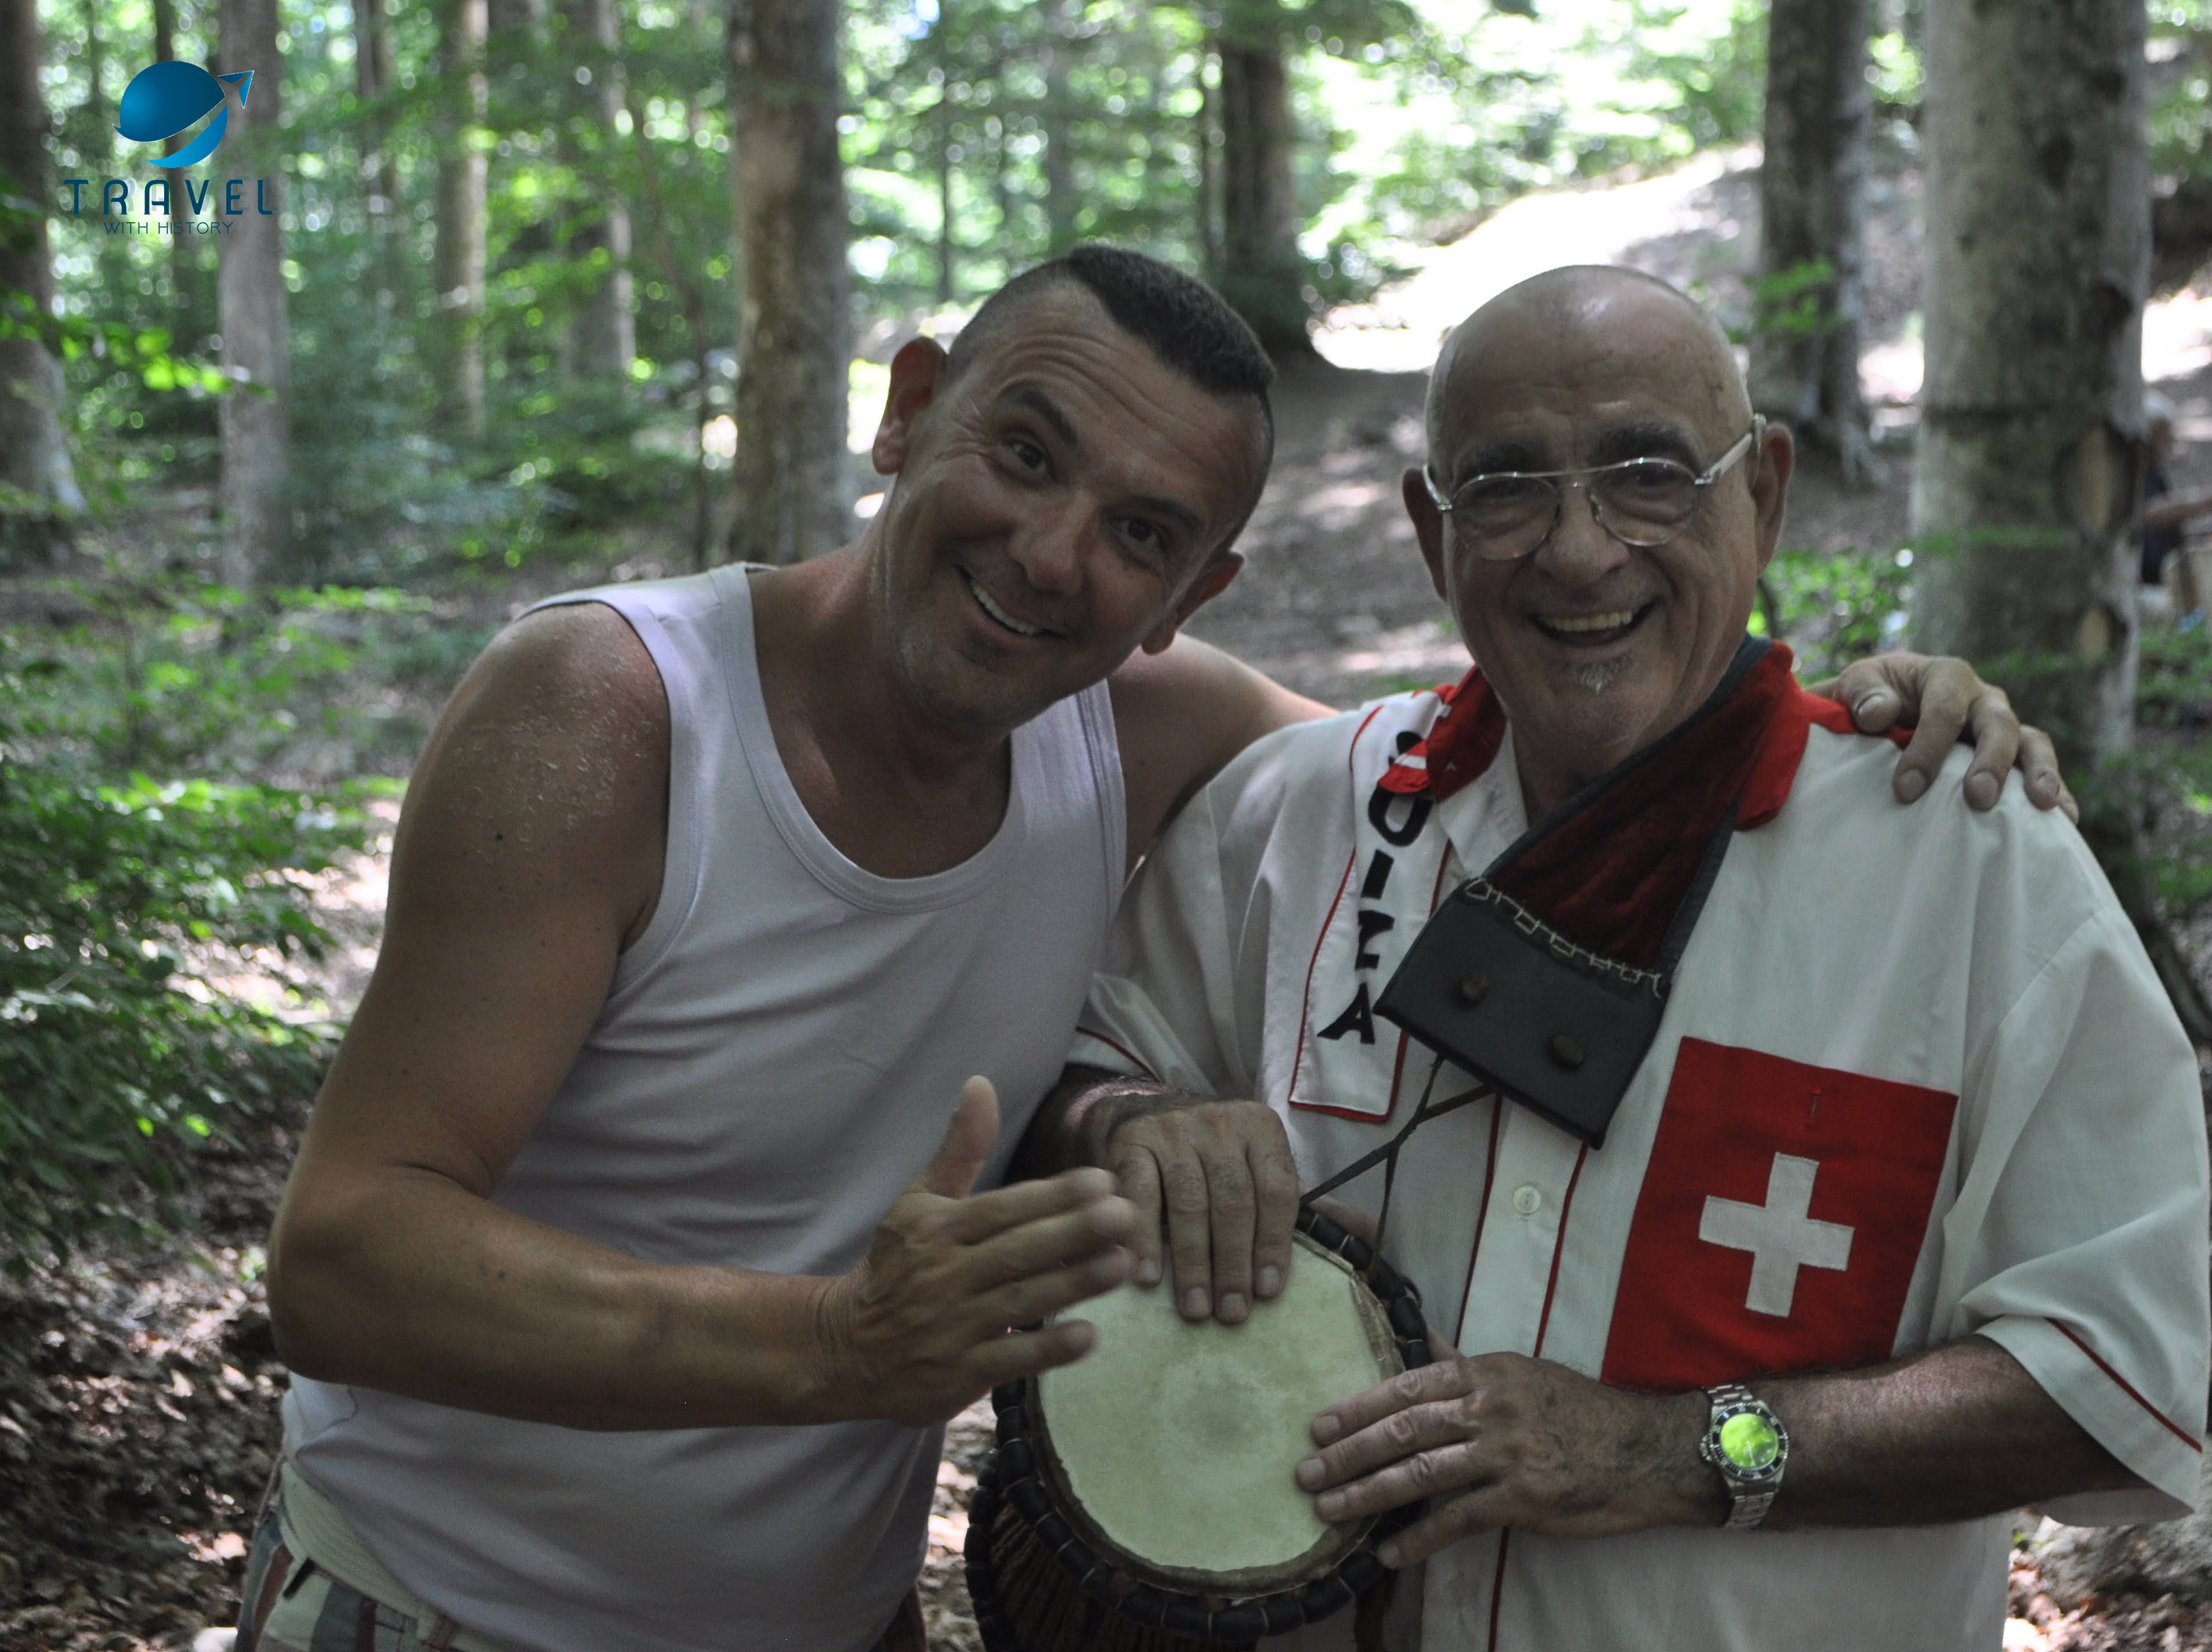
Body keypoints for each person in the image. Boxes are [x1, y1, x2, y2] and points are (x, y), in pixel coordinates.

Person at [240, 247, 2065, 1652]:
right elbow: (340, 1259)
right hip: (446, 1607)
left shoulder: (1144, 736)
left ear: (1195, 597)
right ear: (909, 408)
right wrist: (836, 1344)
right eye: (1024, 453)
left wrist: (1846, 731)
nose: (1051, 555)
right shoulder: (614, 717)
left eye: (1140, 533)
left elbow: (1539, 744)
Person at [1049, 266, 2210, 1652]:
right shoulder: (1292, 816)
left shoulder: (1962, 863)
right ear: (1430, 533)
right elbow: (1083, 1063)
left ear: (1762, 494)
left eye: (1647, 474)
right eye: (1505, 487)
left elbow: (2108, 1373)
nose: (1579, 549)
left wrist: (1670, 1448)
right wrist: (1133, 1114)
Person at [2137, 390, 2212, 586]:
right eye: (2164, 438)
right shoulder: (2130, 477)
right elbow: (2150, 514)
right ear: (2146, 437)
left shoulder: (2157, 477)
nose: (2170, 446)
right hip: (2142, 586)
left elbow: (2178, 538)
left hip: (2167, 578)